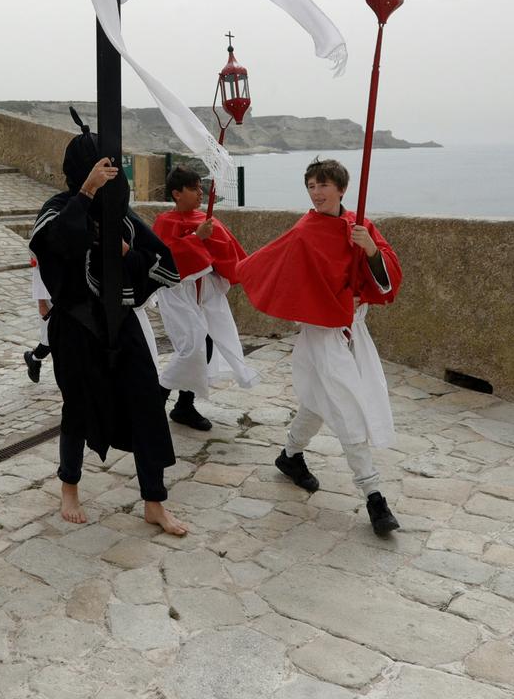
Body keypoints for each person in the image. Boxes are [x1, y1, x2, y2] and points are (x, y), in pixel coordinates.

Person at [30, 129, 188, 536]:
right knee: (78, 408)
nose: (109, 176)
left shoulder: (123, 218)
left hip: (122, 322)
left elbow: (162, 266)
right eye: (100, 168)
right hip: (77, 325)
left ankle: (154, 502)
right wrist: (85, 193)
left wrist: (125, 254)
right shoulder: (59, 206)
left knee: (147, 406)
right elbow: (60, 244)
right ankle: (69, 488)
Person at [236, 158, 403, 535]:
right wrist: (238, 268)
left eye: (323, 185)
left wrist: (371, 249)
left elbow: (387, 277)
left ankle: (290, 456)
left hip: (352, 331)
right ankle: (374, 495)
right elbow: (274, 263)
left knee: (316, 401)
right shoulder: (305, 230)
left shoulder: (360, 227)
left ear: (341, 189)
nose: (316, 192)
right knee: (348, 409)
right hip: (320, 333)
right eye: (311, 185)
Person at [151, 167, 260, 431]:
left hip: (205, 293)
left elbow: (225, 254)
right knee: (192, 346)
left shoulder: (206, 219)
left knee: (206, 344)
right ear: (177, 193)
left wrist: (211, 244)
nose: (200, 192)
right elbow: (162, 258)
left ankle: (184, 405)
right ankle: (154, 402)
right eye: (193, 188)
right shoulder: (166, 222)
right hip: (178, 293)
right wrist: (196, 238)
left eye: (201, 187)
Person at [24, 257, 51, 382]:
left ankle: (34, 359)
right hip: (48, 298)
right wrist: (41, 303)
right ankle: (33, 359)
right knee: (49, 339)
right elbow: (38, 269)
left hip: (64, 294)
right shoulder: (41, 238)